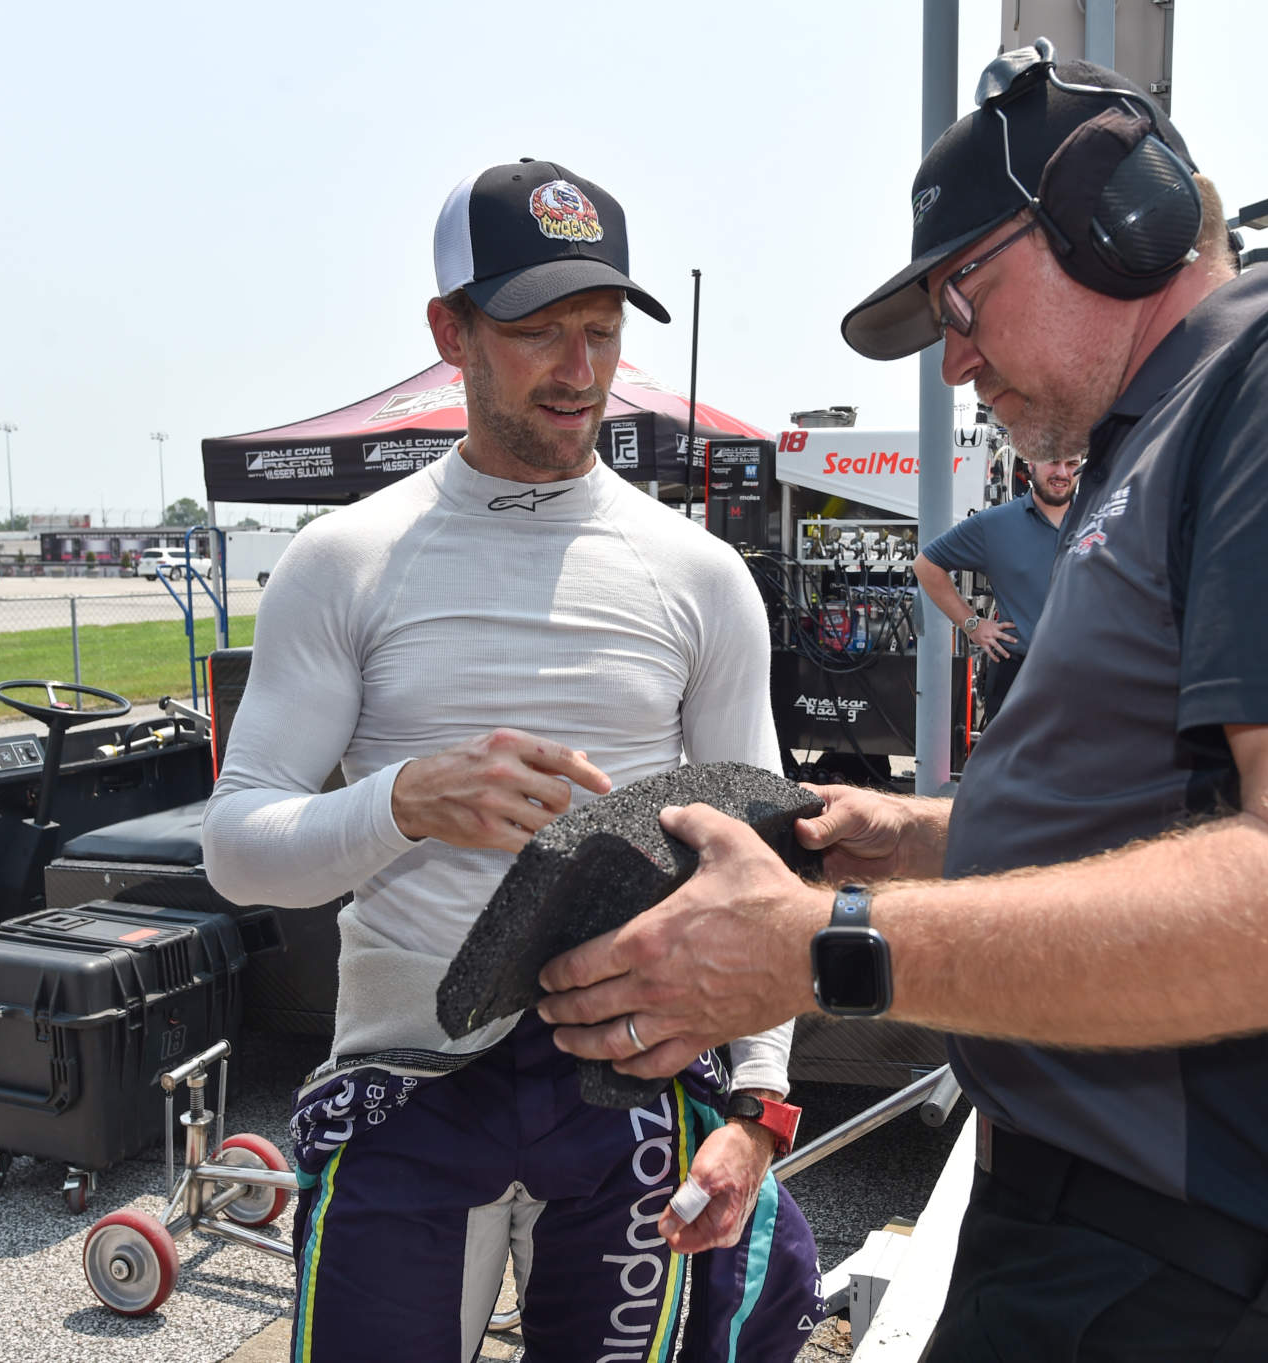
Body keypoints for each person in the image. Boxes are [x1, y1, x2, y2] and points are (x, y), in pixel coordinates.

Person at [536, 42, 1268, 1362]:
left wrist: (835, 942)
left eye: (966, 302)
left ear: (1119, 218)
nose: (956, 364)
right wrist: (926, 839)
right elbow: (1178, 808)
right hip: (1101, 1256)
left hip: (1195, 1285)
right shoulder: (1161, 445)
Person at [204, 158, 820, 1363]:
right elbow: (234, 852)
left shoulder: (696, 572)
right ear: (452, 332)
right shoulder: (346, 559)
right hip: (410, 1085)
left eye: (598, 331)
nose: (579, 370)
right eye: (539, 332)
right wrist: (404, 801)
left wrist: (755, 1111)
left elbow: (769, 862)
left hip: (628, 1094)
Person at [911, 448, 1080, 727]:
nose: (1062, 473)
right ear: (1031, 463)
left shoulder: (1100, 517)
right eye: (1053, 462)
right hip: (1019, 678)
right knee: (1018, 770)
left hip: (1089, 677)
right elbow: (926, 565)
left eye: (1072, 463)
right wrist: (973, 625)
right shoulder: (995, 524)